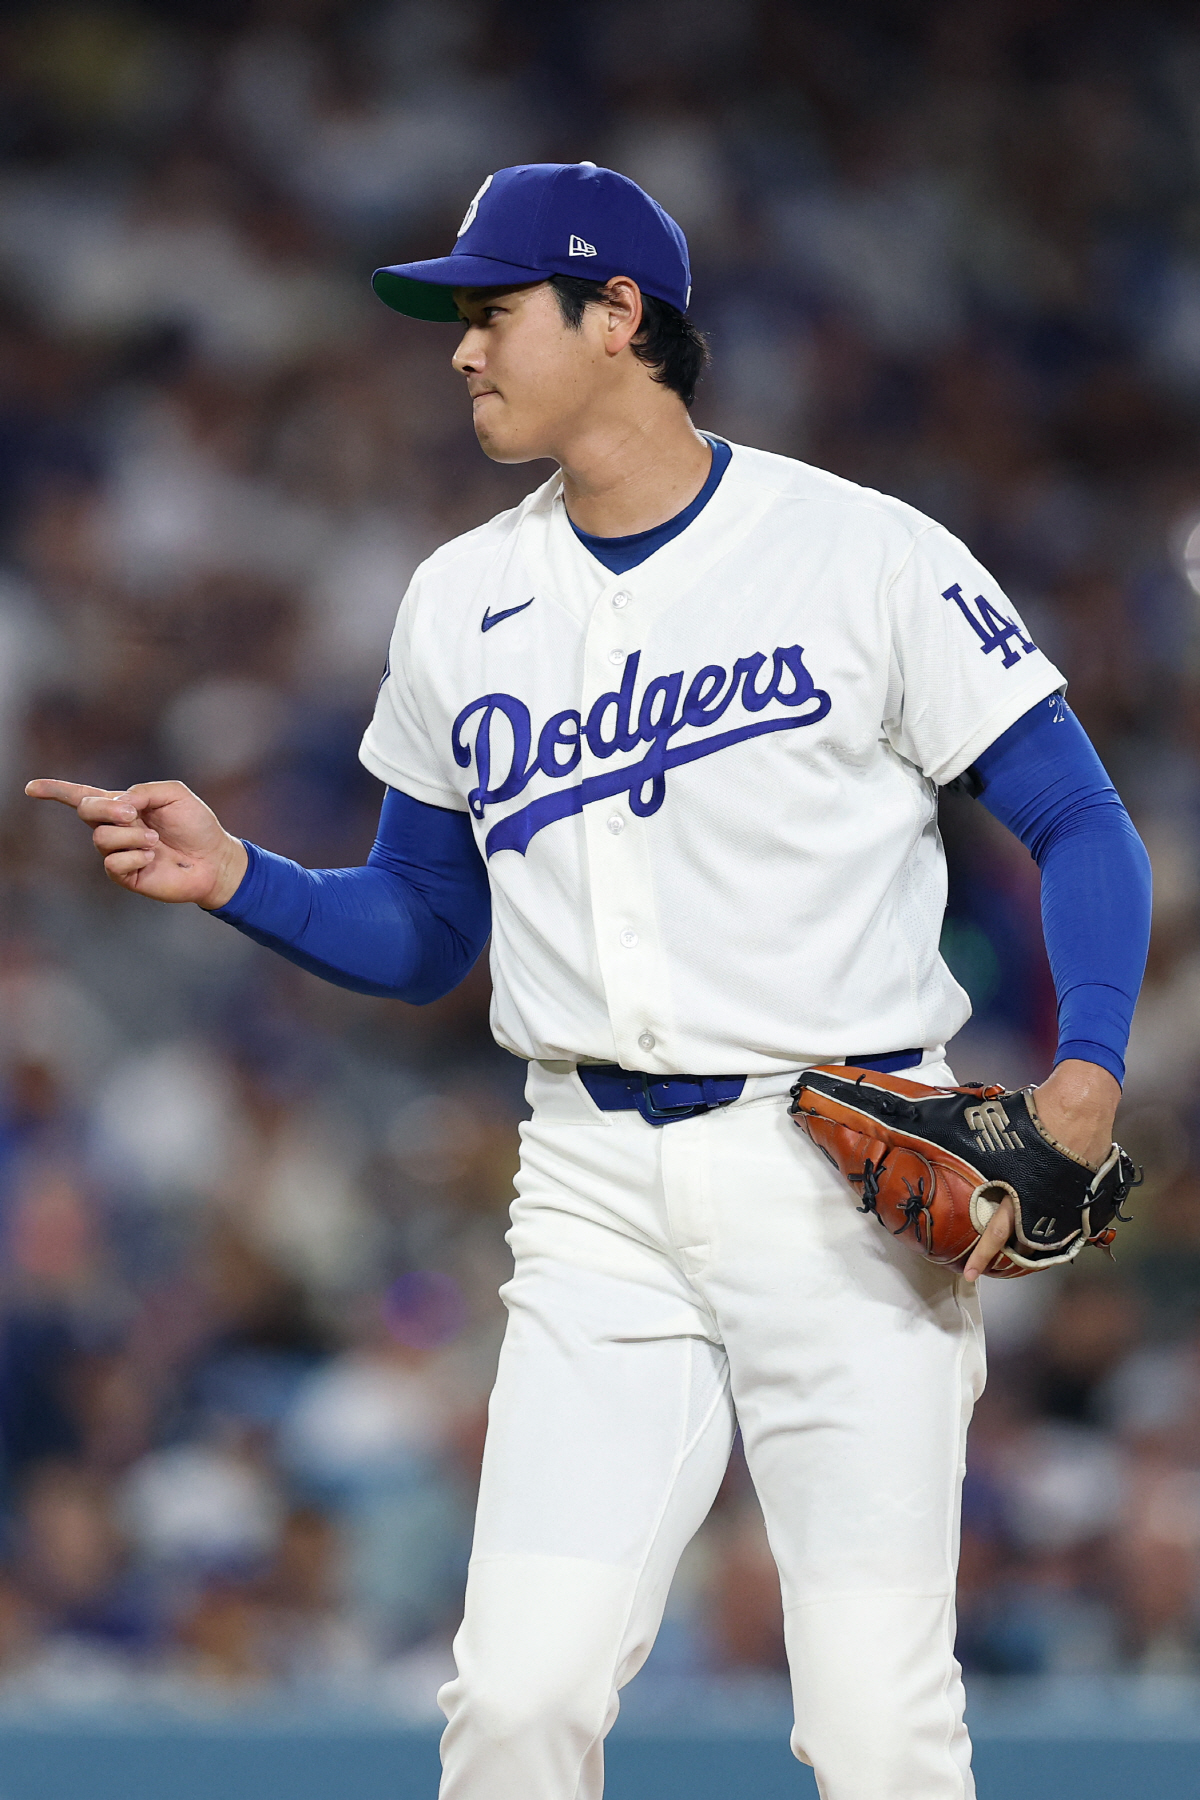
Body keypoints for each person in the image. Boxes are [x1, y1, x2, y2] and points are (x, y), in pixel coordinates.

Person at [28, 162, 1151, 1798]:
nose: (462, 348)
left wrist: (1091, 1064)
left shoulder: (861, 553)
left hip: (849, 1164)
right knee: (518, 1701)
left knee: (878, 1728)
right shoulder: (458, 600)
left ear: (618, 315)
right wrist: (242, 879)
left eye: (493, 312)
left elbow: (1082, 822)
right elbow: (426, 925)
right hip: (592, 1189)